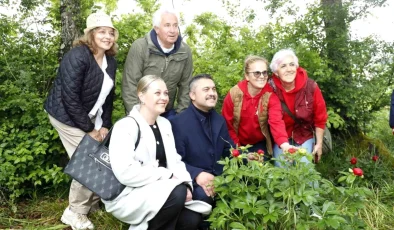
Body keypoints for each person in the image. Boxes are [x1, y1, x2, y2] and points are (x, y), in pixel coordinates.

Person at [104, 75, 210, 230]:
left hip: (162, 190)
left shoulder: (165, 124)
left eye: (166, 93)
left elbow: (175, 161)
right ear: (141, 95)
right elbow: (125, 173)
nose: (164, 98)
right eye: (157, 93)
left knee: (191, 219)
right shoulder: (125, 126)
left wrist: (187, 184)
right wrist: (166, 176)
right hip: (129, 193)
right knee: (177, 192)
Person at [44, 12, 118, 229]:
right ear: (91, 34)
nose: (107, 36)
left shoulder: (110, 60)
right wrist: (88, 130)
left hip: (90, 116)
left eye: (110, 33)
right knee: (88, 159)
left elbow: (108, 96)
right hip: (65, 115)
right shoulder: (78, 55)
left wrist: (104, 124)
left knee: (99, 158)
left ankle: (92, 204)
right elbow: (69, 97)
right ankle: (74, 212)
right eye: (102, 32)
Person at [170, 74, 234, 207]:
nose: (212, 93)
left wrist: (247, 157)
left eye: (214, 89)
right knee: (203, 196)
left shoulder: (220, 120)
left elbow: (230, 151)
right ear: (192, 95)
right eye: (206, 89)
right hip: (193, 179)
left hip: (220, 177)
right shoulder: (178, 123)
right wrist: (197, 174)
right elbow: (173, 160)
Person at [122, 8, 193, 119]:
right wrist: (137, 117)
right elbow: (130, 84)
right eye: (167, 25)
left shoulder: (185, 51)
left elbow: (186, 86)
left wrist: (181, 116)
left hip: (167, 112)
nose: (172, 30)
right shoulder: (140, 47)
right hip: (142, 111)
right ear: (157, 29)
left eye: (175, 25)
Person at [222, 55, 291, 157]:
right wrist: (239, 151)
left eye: (264, 72)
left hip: (259, 143)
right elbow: (228, 125)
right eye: (257, 73)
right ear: (247, 76)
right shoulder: (234, 94)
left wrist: (284, 145)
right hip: (237, 142)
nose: (262, 76)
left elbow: (276, 122)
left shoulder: (270, 95)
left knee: (261, 168)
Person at [269, 49, 328, 167]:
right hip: (281, 135)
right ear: (276, 72)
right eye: (283, 66)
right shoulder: (271, 88)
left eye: (292, 64)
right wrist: (285, 145)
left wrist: (319, 144)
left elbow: (320, 117)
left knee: (305, 166)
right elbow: (275, 120)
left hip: (304, 134)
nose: (289, 69)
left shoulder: (311, 86)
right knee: (281, 165)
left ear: (296, 67)